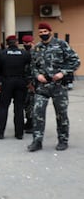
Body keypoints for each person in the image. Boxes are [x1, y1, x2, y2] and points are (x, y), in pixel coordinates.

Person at [28, 22, 80, 152]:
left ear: (50, 31)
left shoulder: (61, 44)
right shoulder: (37, 48)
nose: (43, 34)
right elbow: (33, 66)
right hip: (42, 87)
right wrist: (37, 75)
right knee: (37, 113)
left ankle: (63, 140)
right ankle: (37, 141)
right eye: (40, 32)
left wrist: (62, 72)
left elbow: (75, 61)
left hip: (59, 87)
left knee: (61, 114)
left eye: (45, 31)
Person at [0, 35, 31, 140]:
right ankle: (19, 133)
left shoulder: (1, 54)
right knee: (19, 108)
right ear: (17, 43)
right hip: (21, 83)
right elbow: (30, 68)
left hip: (6, 82)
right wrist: (28, 81)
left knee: (3, 107)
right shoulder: (25, 54)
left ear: (7, 44)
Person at [21, 34, 35, 133]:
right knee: (26, 103)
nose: (26, 45)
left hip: (33, 82)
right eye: (25, 43)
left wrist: (32, 83)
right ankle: (29, 121)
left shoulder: (35, 53)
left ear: (32, 42)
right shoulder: (23, 53)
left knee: (32, 103)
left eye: (28, 43)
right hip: (25, 82)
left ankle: (33, 123)